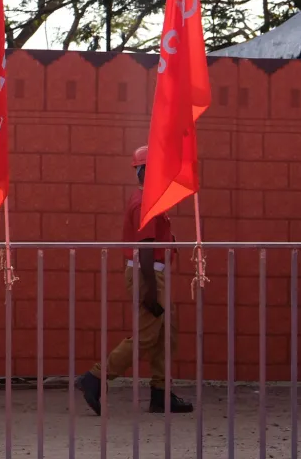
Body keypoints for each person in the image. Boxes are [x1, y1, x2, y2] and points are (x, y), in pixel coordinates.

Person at [75, 146, 193, 415]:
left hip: (154, 273)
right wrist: (151, 289)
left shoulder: (150, 200)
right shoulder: (145, 203)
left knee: (166, 333)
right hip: (147, 273)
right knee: (147, 336)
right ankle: (95, 378)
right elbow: (146, 247)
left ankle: (161, 394)